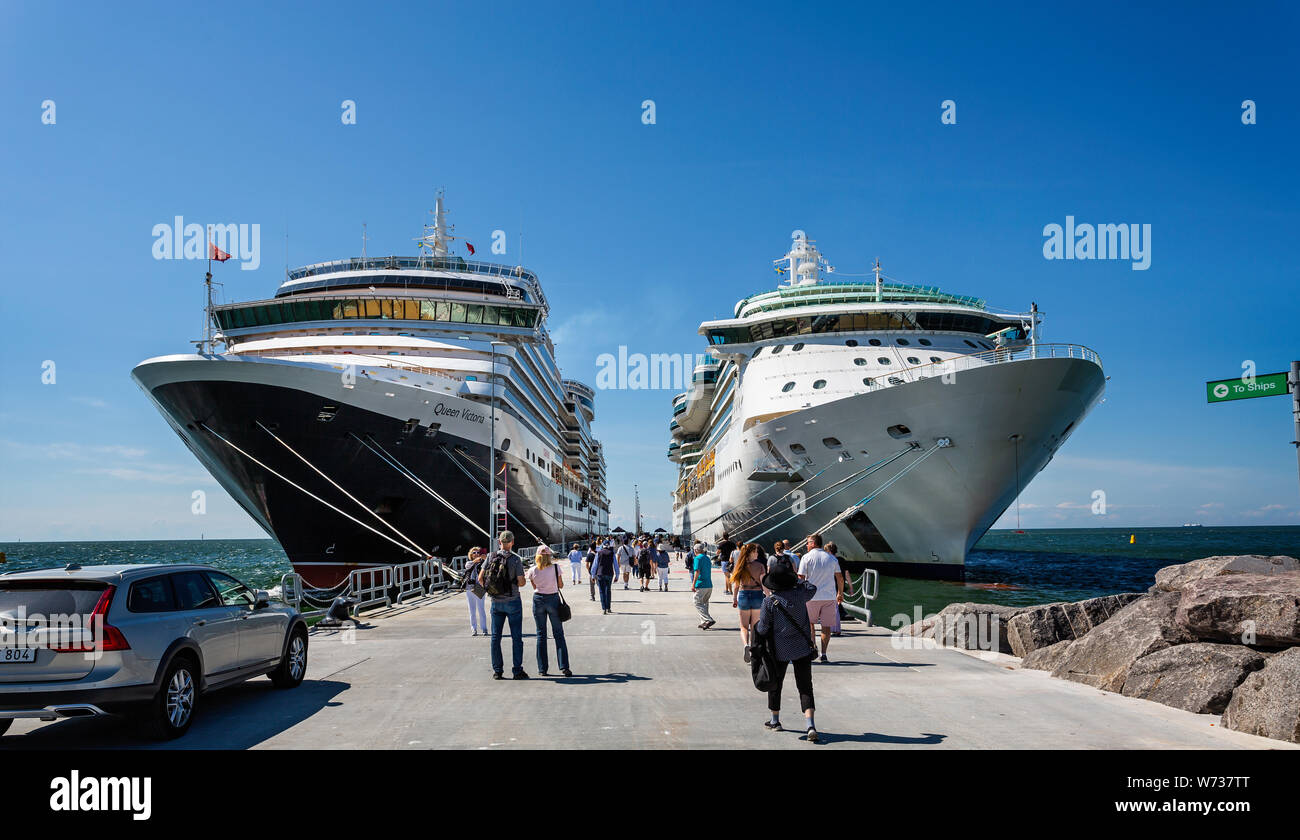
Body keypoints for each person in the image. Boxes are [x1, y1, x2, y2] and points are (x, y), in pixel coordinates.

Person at [754, 561, 820, 742]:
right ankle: (810, 725)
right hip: (802, 648)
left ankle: (775, 720)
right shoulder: (801, 595)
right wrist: (797, 580)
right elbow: (812, 587)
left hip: (779, 649)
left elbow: (762, 629)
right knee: (805, 686)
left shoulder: (769, 602)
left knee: (775, 683)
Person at [479, 530, 529, 680]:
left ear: (499, 542)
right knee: (516, 637)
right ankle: (517, 670)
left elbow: (481, 578)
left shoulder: (490, 556)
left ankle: (498, 671)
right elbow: (521, 582)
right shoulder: (515, 560)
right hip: (512, 601)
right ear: (512, 542)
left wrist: (490, 591)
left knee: (495, 637)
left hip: (496, 602)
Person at [797, 533, 843, 664]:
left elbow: (800, 578)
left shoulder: (806, 558)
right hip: (829, 597)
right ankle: (824, 654)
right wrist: (840, 593)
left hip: (810, 597)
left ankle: (812, 648)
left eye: (807, 543)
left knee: (810, 624)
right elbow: (839, 577)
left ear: (813, 543)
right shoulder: (832, 558)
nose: (806, 545)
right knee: (826, 627)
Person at [527, 546, 572, 677]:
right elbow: (561, 585)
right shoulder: (556, 568)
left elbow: (534, 586)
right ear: (549, 556)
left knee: (541, 634)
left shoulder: (532, 570)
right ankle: (564, 667)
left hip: (538, 600)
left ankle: (542, 669)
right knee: (558, 633)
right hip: (553, 599)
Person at [730, 543, 767, 662]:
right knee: (755, 627)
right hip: (757, 596)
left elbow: (736, 586)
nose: (757, 553)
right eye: (755, 551)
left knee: (743, 626)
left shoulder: (740, 566)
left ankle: (746, 645)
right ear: (751, 552)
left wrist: (735, 599)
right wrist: (769, 596)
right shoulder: (760, 566)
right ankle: (753, 650)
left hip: (744, 595)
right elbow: (763, 583)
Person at [825, 541, 853, 637]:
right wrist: (851, 586)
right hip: (839, 586)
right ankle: (836, 628)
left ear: (828, 550)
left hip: (830, 586)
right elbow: (846, 574)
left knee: (832, 609)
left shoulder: (828, 560)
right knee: (835, 608)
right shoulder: (841, 560)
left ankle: (833, 627)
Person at [462, 547, 488, 636]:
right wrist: (475, 561)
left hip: (479, 587)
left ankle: (484, 628)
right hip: (470, 587)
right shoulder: (469, 563)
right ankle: (474, 629)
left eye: (478, 552)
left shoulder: (483, 563)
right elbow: (468, 566)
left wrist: (485, 559)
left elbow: (489, 565)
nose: (476, 554)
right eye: (474, 552)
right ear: (471, 554)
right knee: (472, 610)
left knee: (481, 609)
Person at [691, 542, 715, 629]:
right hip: (709, 584)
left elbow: (697, 571)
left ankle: (708, 619)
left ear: (696, 550)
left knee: (696, 602)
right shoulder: (707, 558)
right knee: (704, 603)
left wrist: (693, 584)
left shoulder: (697, 558)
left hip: (701, 584)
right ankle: (704, 622)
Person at [593, 539, 617, 614]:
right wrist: (617, 575)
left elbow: (595, 565)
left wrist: (593, 575)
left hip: (600, 573)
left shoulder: (598, 553)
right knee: (608, 590)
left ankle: (604, 608)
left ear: (602, 546)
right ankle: (608, 607)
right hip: (609, 573)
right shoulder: (612, 553)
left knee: (602, 591)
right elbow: (615, 565)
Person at [716, 532, 737, 597]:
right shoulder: (732, 543)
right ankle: (727, 590)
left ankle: (730, 591)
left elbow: (717, 553)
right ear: (728, 536)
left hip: (724, 561)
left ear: (723, 537)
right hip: (731, 561)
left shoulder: (721, 544)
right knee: (729, 576)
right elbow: (735, 550)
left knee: (727, 576)